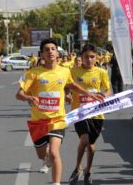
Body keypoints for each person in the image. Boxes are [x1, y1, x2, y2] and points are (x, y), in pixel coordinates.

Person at [16, 39, 104, 185]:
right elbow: (18, 94)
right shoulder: (33, 73)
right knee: (42, 155)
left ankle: (56, 183)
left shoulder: (64, 71)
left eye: (53, 49)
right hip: (38, 121)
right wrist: (28, 97)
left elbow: (72, 85)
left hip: (57, 120)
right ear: (42, 54)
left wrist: (89, 94)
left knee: (54, 152)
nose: (50, 51)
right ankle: (46, 159)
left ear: (57, 53)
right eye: (46, 49)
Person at [68, 44, 111, 185]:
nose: (89, 59)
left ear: (96, 57)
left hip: (96, 114)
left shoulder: (102, 72)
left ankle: (88, 170)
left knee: (91, 145)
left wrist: (104, 95)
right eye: (86, 56)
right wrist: (67, 95)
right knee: (85, 140)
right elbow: (66, 87)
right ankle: (77, 168)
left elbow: (108, 90)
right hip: (79, 113)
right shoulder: (73, 71)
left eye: (92, 56)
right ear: (81, 57)